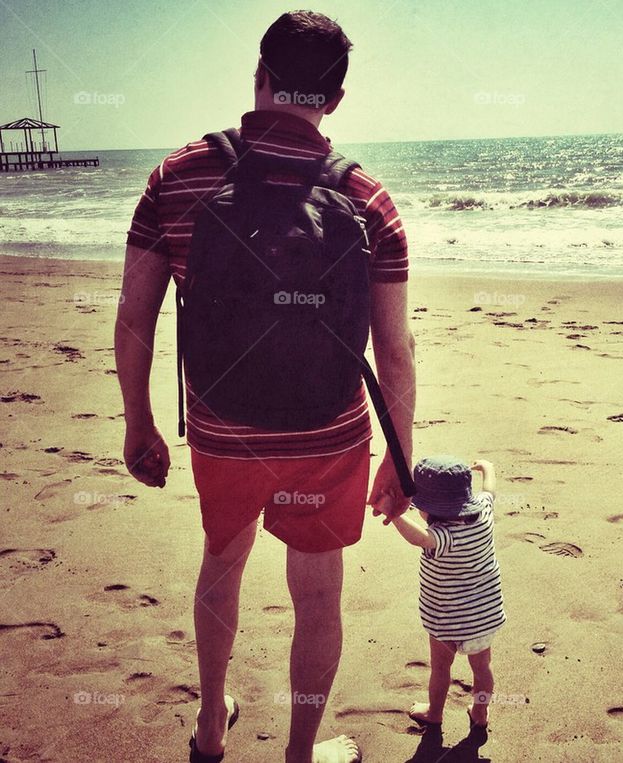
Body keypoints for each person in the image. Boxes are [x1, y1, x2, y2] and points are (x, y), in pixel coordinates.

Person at [115, 11, 415, 763]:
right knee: (317, 593)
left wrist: (139, 423)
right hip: (329, 434)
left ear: (258, 76)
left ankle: (212, 724)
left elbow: (133, 318)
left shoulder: (176, 178)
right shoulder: (369, 198)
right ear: (336, 101)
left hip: (225, 426)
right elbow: (397, 351)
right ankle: (300, 753)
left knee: (223, 558)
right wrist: (401, 457)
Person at [389, 457, 505, 732]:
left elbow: (419, 538)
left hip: (445, 618)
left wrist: (394, 515)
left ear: (430, 509)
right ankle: (480, 711)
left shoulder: (442, 536)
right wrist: (488, 467)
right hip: (483, 617)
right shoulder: (484, 513)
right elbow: (490, 489)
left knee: (440, 669)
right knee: (483, 669)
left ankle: (435, 713)